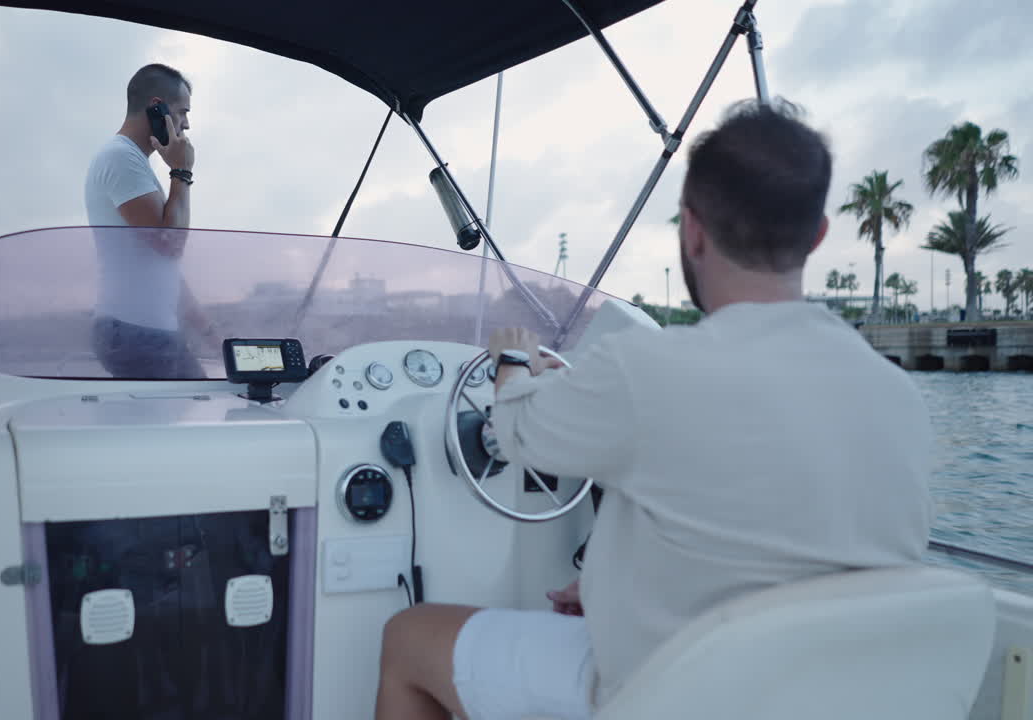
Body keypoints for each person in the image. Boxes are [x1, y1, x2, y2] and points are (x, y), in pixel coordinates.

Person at [374, 100, 934, 720]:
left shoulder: (646, 369)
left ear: (692, 231)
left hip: (665, 694)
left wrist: (511, 363)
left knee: (408, 639)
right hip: (819, 698)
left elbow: (516, 430)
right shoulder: (899, 395)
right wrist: (608, 592)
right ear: (819, 234)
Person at [84, 63, 217, 378]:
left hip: (143, 331)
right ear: (157, 108)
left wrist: (210, 333)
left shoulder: (132, 163)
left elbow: (163, 266)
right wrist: (182, 171)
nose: (186, 124)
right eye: (182, 112)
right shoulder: (121, 158)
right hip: (135, 332)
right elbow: (170, 244)